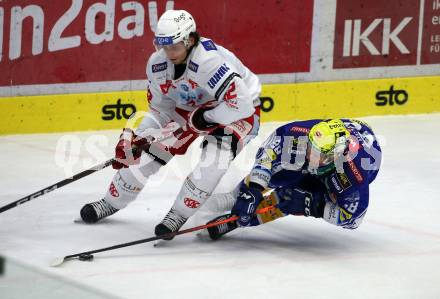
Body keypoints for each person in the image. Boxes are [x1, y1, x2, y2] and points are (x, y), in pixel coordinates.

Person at [79, 10, 261, 239]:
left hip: (237, 111)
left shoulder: (209, 62)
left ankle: (177, 214)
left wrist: (206, 118)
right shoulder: (157, 65)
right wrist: (140, 135)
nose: (169, 53)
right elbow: (161, 110)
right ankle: (110, 202)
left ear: (190, 40)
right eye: (164, 47)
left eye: (174, 47)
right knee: (147, 154)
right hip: (190, 107)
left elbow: (242, 104)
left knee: (213, 161)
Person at [204, 119, 382, 240]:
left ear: (334, 156)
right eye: (311, 147)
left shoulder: (354, 174)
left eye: (318, 154)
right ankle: (237, 197)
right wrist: (254, 189)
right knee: (283, 171)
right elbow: (269, 153)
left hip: (346, 172)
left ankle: (240, 220)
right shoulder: (300, 134)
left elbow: (353, 219)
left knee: (292, 198)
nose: (310, 154)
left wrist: (316, 207)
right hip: (336, 156)